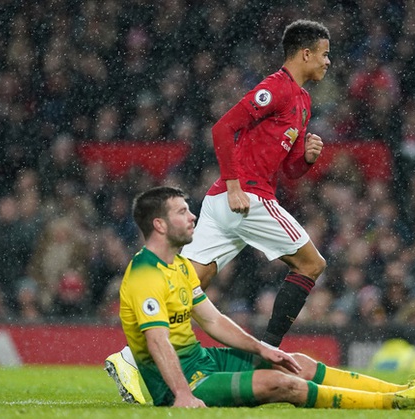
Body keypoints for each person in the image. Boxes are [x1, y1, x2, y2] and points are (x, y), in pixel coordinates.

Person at [106, 19, 337, 401]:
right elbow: (222, 128)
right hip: (245, 196)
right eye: (325, 54)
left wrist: (308, 159)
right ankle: (271, 351)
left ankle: (133, 358)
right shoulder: (275, 88)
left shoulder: (304, 101)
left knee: (188, 282)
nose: (329, 62)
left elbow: (290, 168)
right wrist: (233, 184)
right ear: (306, 53)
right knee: (312, 264)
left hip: (228, 201)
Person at [105, 186, 415, 409]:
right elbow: (157, 342)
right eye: (182, 212)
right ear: (160, 225)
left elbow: (212, 319)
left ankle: (401, 390)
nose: (192, 216)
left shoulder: (177, 264)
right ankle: (399, 404)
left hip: (201, 360)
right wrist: (181, 394)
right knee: (285, 385)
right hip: (184, 380)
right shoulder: (145, 275)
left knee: (297, 363)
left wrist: (262, 348)